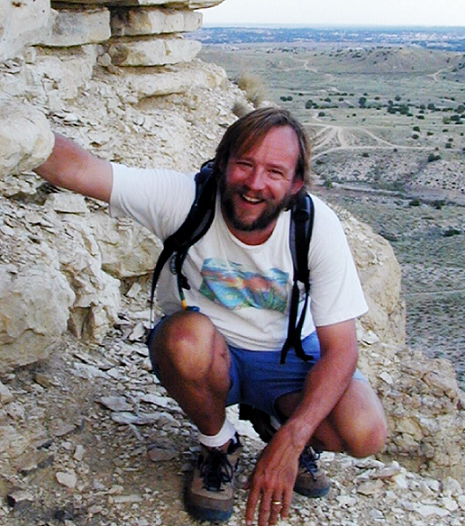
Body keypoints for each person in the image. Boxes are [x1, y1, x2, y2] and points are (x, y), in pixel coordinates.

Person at [35, 107, 387, 526]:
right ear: (222, 163)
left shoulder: (315, 228)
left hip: (287, 359)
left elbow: (342, 350)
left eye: (274, 172)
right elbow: (79, 169)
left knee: (364, 431)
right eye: (244, 164)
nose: (255, 184)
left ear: (295, 185)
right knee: (185, 339)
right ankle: (219, 445)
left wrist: (292, 441)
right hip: (209, 352)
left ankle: (276, 421)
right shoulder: (186, 199)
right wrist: (20, 133)